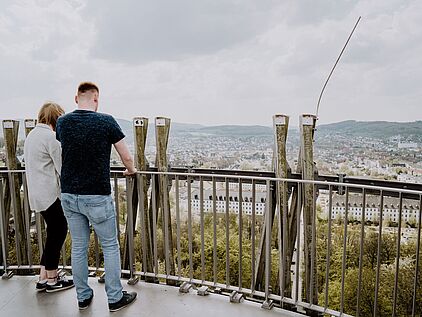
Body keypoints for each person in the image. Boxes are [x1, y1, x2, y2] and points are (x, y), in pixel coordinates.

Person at [56, 82, 137, 312]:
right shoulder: (106, 121)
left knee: (79, 246)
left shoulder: (63, 122)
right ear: (96, 99)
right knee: (110, 246)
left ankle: (83, 296)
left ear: (76, 98)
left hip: (70, 194)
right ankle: (114, 298)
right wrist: (131, 171)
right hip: (97, 195)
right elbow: (127, 157)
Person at [24, 102, 74, 293]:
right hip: (50, 194)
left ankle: (43, 276)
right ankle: (53, 279)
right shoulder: (51, 138)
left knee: (53, 233)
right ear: (56, 118)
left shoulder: (32, 136)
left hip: (36, 193)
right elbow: (62, 169)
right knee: (58, 232)